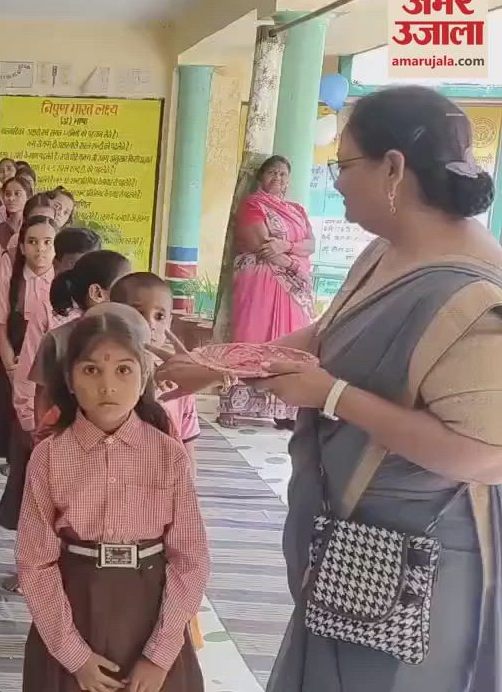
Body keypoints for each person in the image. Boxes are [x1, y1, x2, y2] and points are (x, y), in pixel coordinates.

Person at [158, 86, 502, 692]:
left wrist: (334, 397)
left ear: (393, 167)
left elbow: (484, 455)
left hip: (417, 566)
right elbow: (326, 332)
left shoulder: (475, 295)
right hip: (349, 541)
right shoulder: (386, 251)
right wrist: (220, 366)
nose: (334, 182)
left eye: (343, 166)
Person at [16, 312, 209, 692]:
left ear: (143, 381)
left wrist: (159, 655)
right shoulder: (49, 457)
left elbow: (191, 558)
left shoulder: (168, 455)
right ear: (69, 380)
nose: (107, 386)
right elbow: (34, 561)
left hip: (150, 611)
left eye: (123, 371)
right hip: (74, 606)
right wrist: (75, 656)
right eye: (90, 371)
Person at [219, 154, 316, 430]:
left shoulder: (297, 209)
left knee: (290, 342)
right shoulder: (253, 204)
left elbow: (310, 244)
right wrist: (294, 263)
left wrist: (287, 251)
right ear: (261, 177)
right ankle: (234, 406)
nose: (278, 178)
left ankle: (284, 410)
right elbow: (262, 245)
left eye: (283, 174)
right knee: (253, 338)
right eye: (272, 173)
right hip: (262, 282)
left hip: (292, 285)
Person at [0, 214, 59, 461]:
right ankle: (15, 460)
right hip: (15, 346)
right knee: (13, 409)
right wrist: (7, 356)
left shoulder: (59, 280)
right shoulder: (15, 278)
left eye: (48, 242)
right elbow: (0, 318)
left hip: (47, 350)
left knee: (42, 408)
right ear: (22, 247)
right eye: (33, 242)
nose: (40, 249)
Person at [28, 250, 133, 436]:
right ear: (97, 292)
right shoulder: (57, 340)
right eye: (123, 286)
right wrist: (43, 440)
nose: (130, 293)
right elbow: (43, 399)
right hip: (67, 440)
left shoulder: (132, 338)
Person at [111, 273, 201, 456]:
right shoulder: (102, 378)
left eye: (159, 316)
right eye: (138, 313)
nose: (149, 323)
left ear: (170, 322)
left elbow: (187, 452)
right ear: (113, 316)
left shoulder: (177, 383)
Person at [0, 177, 34, 368]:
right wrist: (7, 294)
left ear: (29, 196)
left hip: (26, 301)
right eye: (7, 194)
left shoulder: (33, 234)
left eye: (17, 194)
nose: (11, 198)